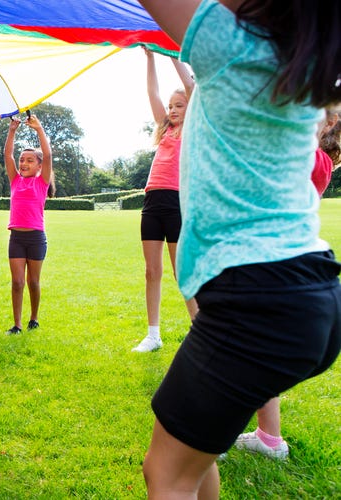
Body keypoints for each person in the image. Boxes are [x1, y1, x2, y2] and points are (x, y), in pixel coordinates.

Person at [136, 1, 341, 498]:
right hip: (310, 291)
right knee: (193, 452)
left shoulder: (233, 42)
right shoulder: (302, 56)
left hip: (258, 299)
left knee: (166, 474)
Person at [230, 105, 341, 462]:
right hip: (274, 262)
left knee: (243, 349)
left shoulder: (311, 158)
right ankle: (268, 438)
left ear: (327, 123)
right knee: (257, 351)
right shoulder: (316, 159)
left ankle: (214, 434)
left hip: (271, 264)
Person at [133, 48, 199, 352]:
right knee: (152, 271)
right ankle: (153, 335)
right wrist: (149, 58)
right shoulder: (164, 131)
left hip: (176, 203)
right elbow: (152, 92)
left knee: (180, 271)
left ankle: (199, 329)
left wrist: (173, 54)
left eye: (179, 105)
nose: (172, 110)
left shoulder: (194, 128)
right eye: (171, 106)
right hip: (152, 202)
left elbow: (191, 86)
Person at [2, 113, 53, 335]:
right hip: (16, 238)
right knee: (17, 282)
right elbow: (7, 155)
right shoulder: (15, 180)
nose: (23, 163)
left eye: (30, 160)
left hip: (36, 238)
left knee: (33, 281)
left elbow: (48, 155)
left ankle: (34, 318)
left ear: (40, 166)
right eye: (22, 160)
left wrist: (38, 129)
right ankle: (17, 324)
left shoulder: (41, 182)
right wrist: (12, 131)